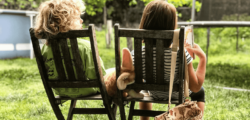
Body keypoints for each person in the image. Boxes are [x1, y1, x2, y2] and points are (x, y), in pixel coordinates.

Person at [131, 0, 206, 120]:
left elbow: (135, 85)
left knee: (145, 87)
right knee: (200, 91)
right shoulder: (181, 53)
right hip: (175, 94)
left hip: (153, 92)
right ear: (172, 26)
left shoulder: (137, 53)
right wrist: (203, 58)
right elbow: (195, 87)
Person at [34, 0, 106, 98]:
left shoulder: (46, 49)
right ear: (64, 22)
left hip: (61, 90)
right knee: (113, 73)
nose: (82, 20)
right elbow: (98, 76)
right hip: (87, 89)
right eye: (77, 17)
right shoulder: (85, 47)